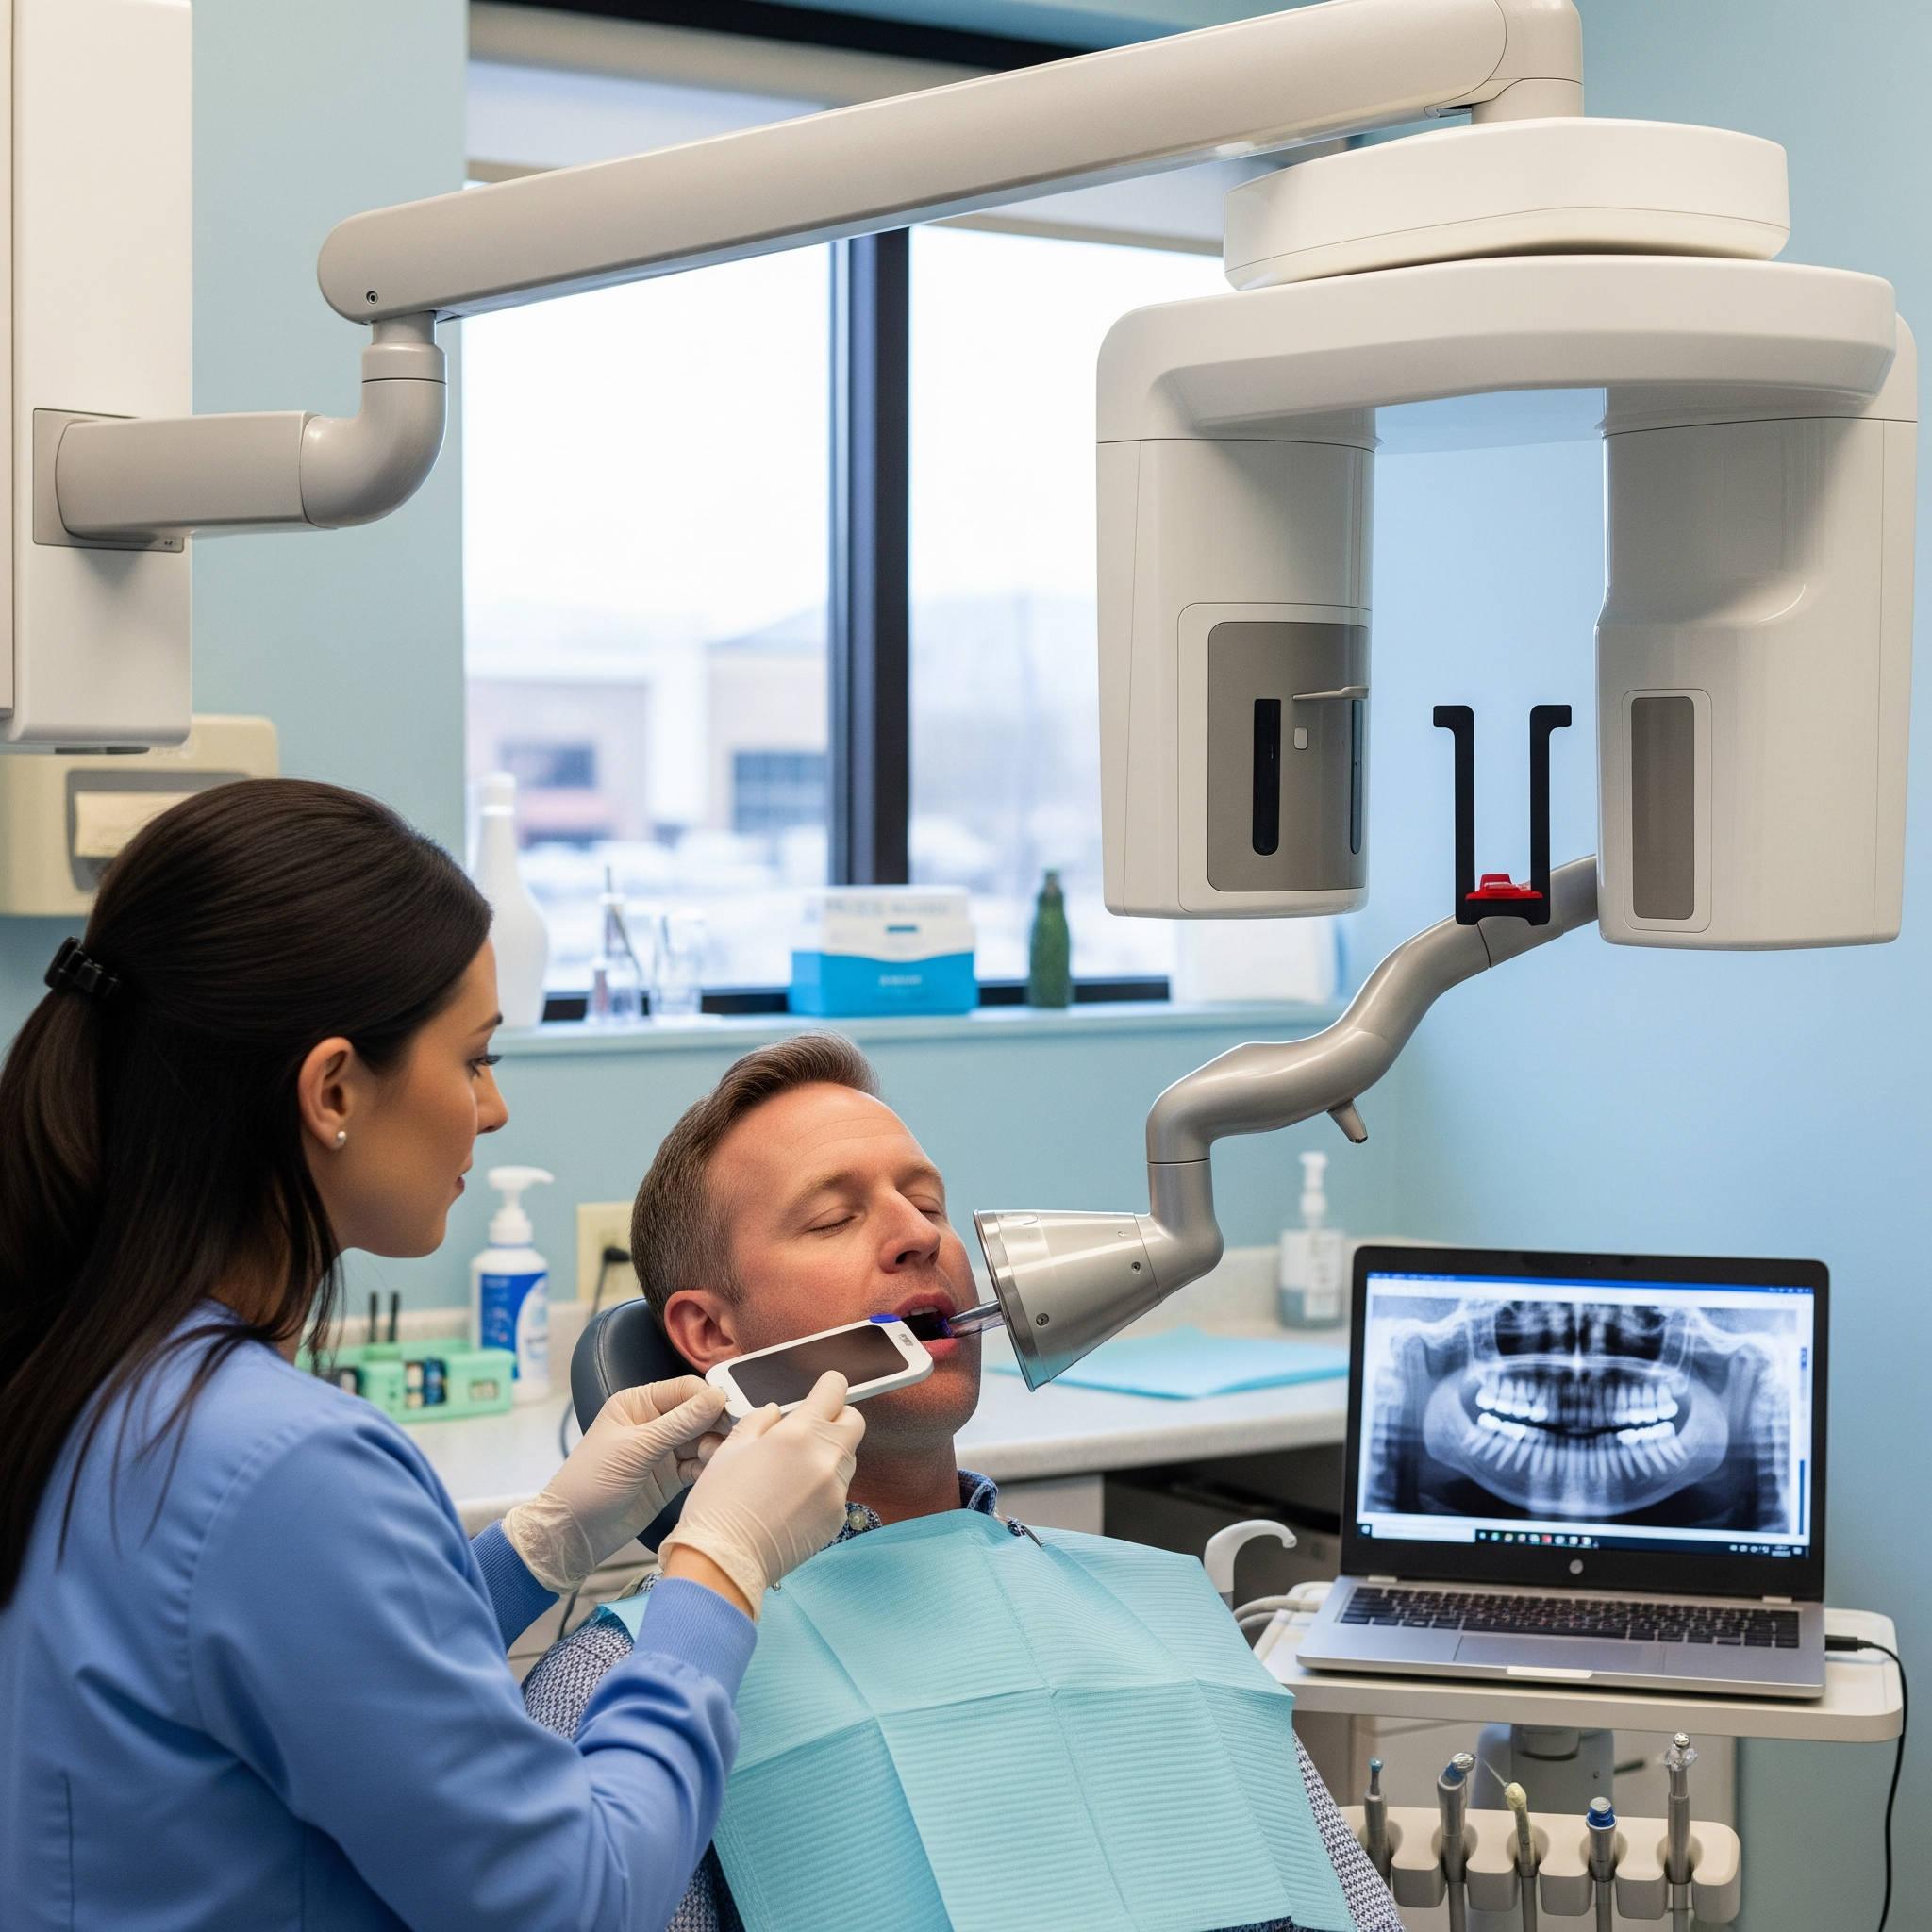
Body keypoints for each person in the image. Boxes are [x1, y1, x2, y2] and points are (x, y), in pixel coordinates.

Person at [0, 780, 864, 1931]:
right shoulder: (284, 1464)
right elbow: (574, 1897)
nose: (492, 1108)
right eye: (474, 1058)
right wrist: (716, 1568)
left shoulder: (89, 1371)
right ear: (334, 1089)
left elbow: (297, 1659)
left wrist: (537, 1546)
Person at [524, 1033, 1403, 1932]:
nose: (920, 1236)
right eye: (833, 1219)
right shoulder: (613, 1684)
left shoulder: (1158, 1611)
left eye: (926, 1203)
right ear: (711, 1334)